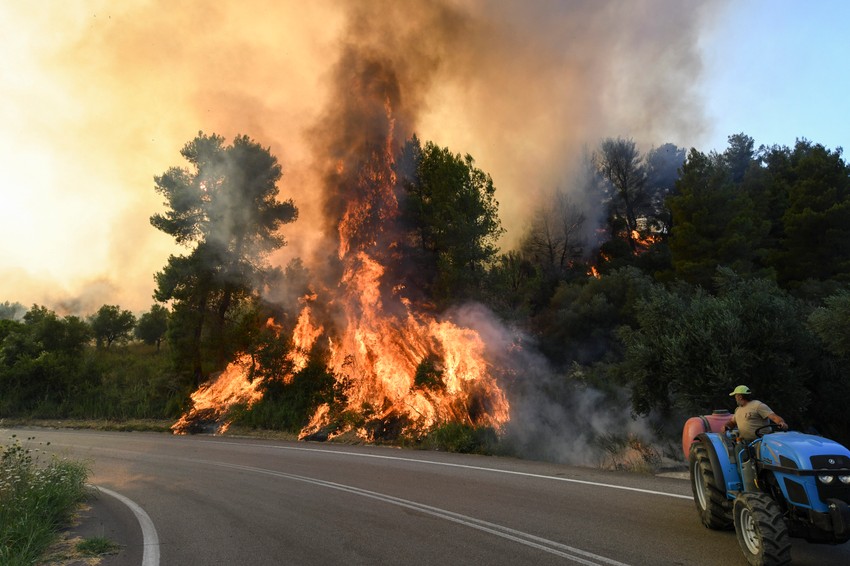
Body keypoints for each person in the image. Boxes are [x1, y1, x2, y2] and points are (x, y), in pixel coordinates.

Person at [723, 385, 788, 442]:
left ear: (740, 397)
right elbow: (732, 422)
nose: (735, 398)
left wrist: (781, 422)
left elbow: (774, 417)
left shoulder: (757, 405)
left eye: (735, 396)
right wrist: (726, 426)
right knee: (738, 448)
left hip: (761, 441)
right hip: (745, 443)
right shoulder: (738, 410)